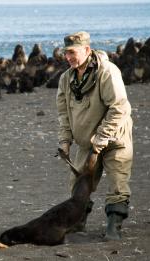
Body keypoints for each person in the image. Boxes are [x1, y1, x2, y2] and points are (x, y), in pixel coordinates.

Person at [56, 31, 133, 241]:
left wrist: (103, 135)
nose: (68, 57)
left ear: (87, 50)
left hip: (115, 138)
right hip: (86, 142)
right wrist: (65, 141)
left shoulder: (107, 72)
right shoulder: (66, 79)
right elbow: (64, 114)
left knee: (118, 183)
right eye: (66, 53)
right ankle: (78, 222)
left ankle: (113, 227)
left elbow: (120, 107)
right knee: (79, 183)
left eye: (72, 52)